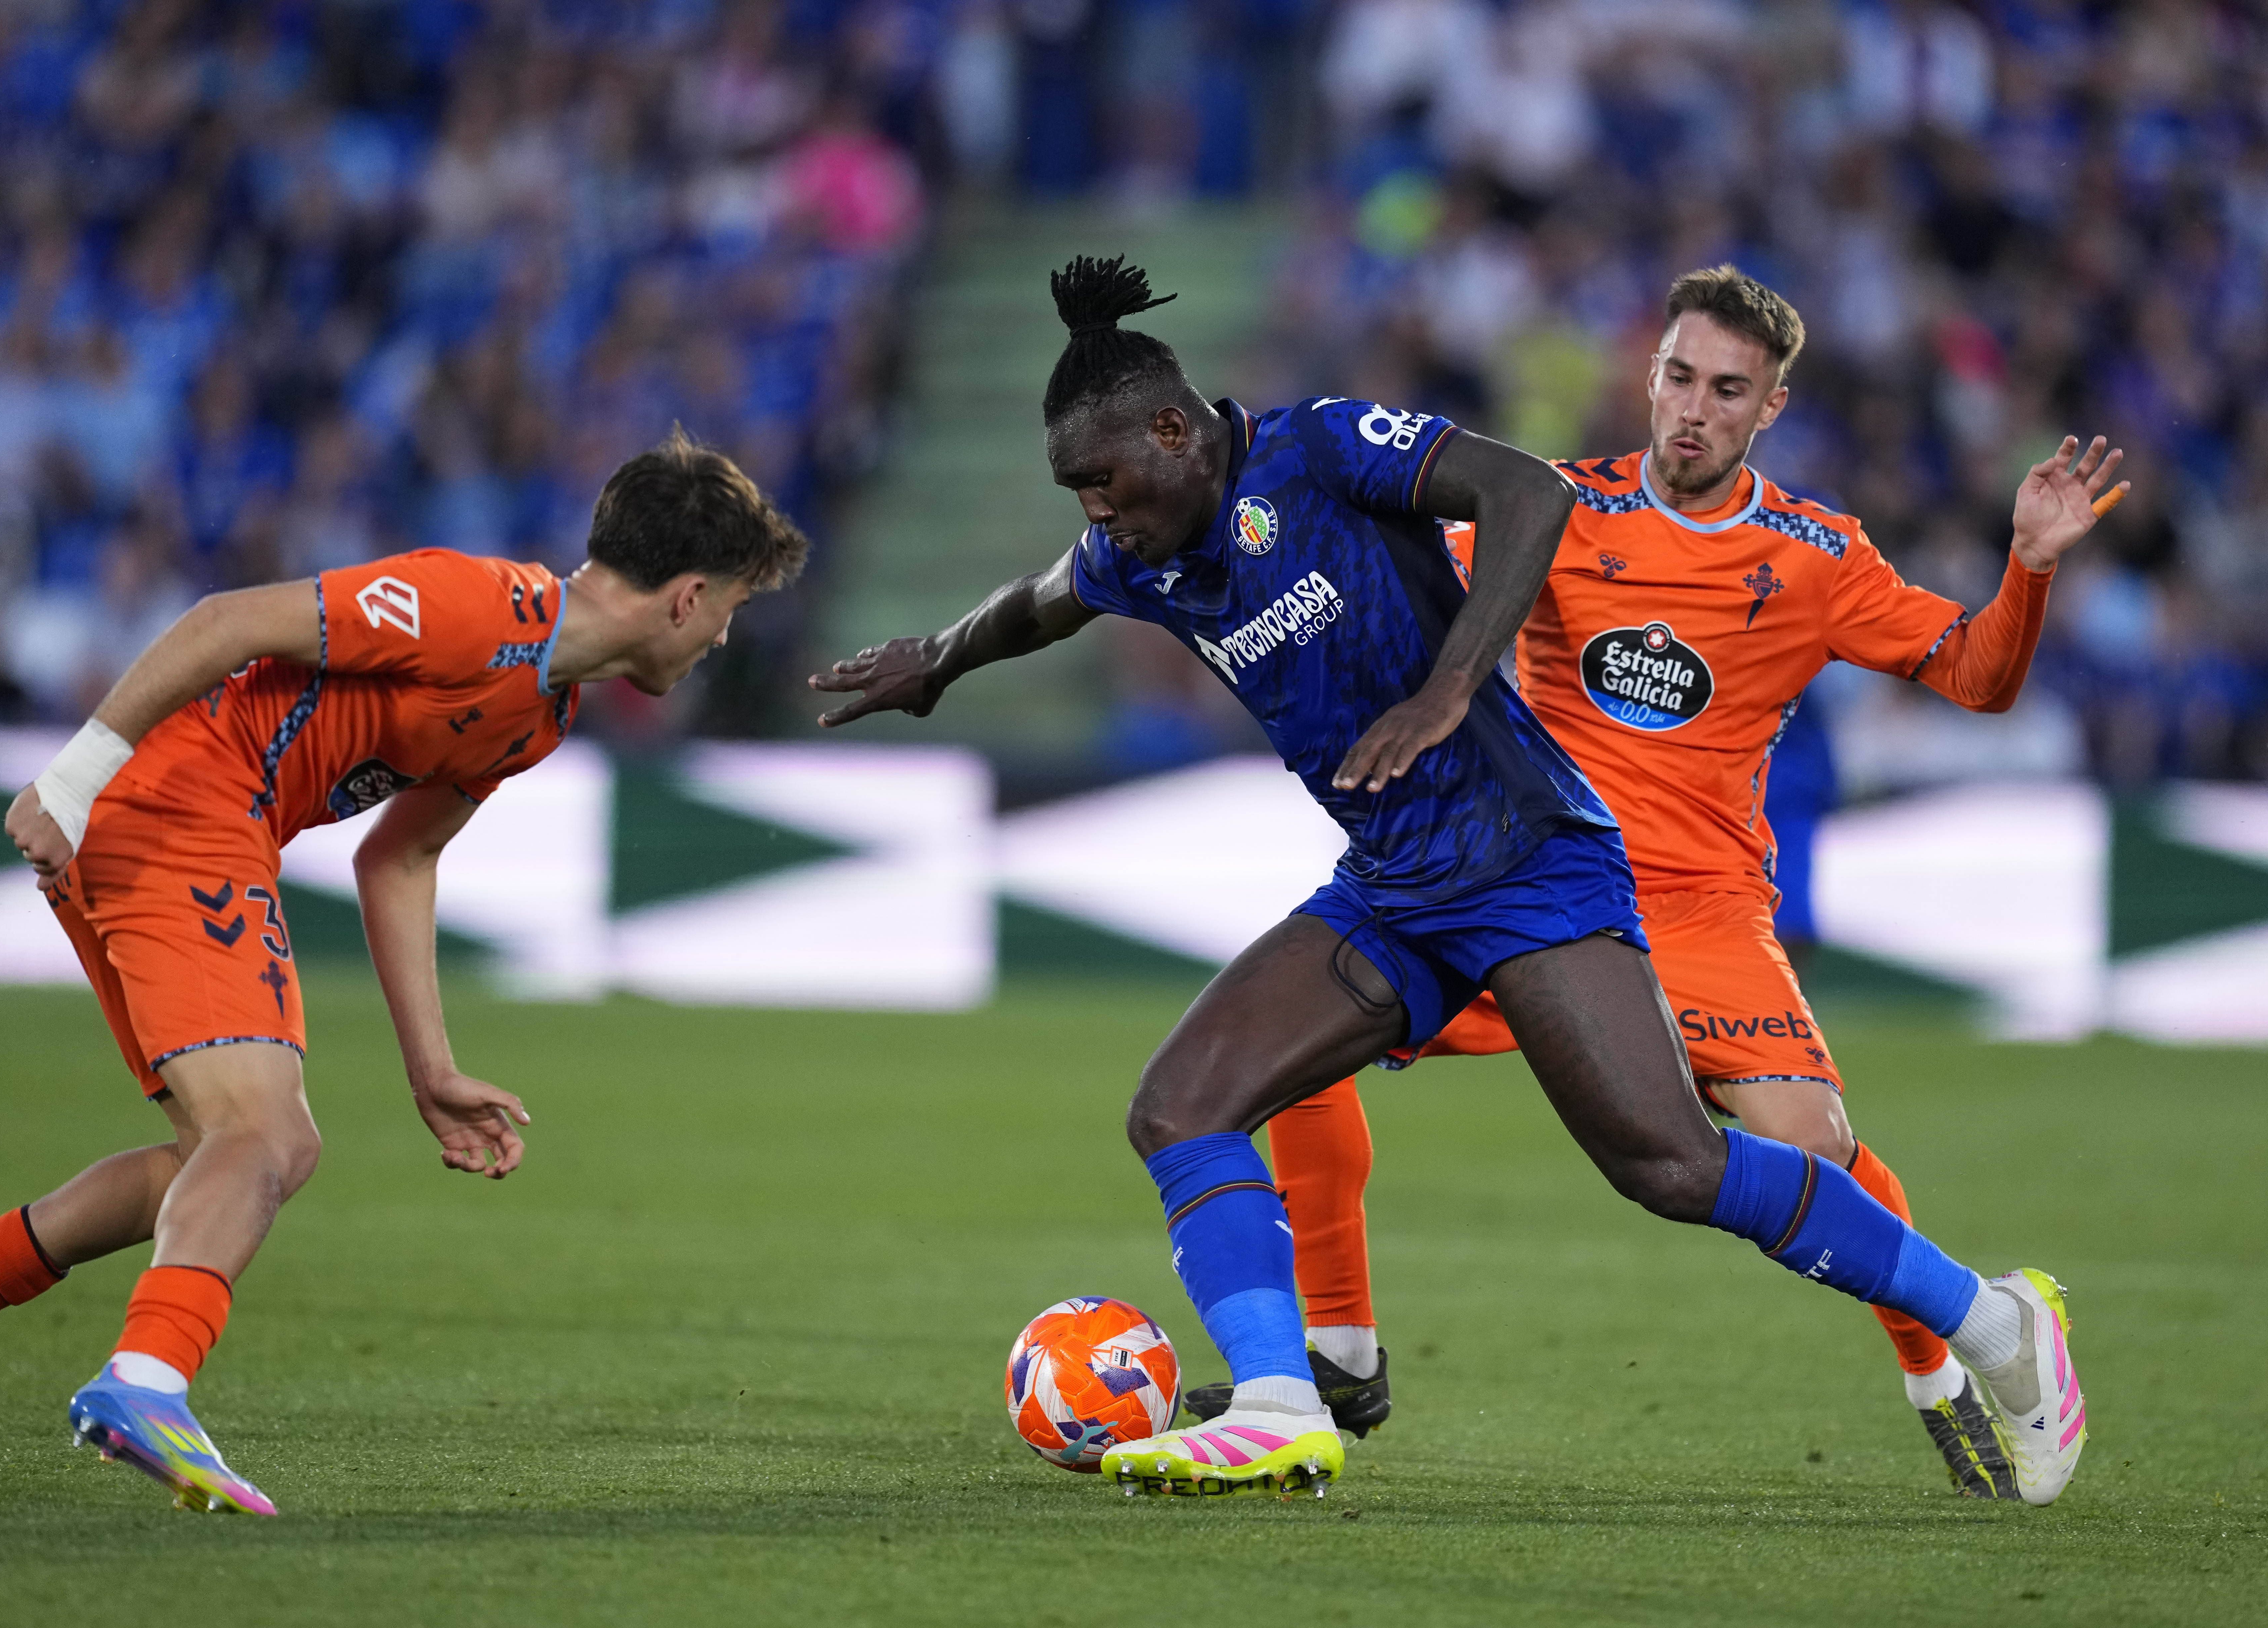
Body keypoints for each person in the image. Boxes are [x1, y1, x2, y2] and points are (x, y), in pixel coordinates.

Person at [810, 257, 2086, 1501]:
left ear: (1172, 428)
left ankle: (1984, 1325)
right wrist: (938, 658)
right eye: (1076, 490)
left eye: (1104, 480)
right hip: (1401, 887)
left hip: (1532, 859)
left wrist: (1447, 689)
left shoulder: (1318, 450)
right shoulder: (1144, 552)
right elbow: (1042, 601)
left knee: (1677, 1171)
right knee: (1184, 1105)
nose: (1097, 508)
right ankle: (1286, 1400)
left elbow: (1526, 493)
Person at [1184, 266, 2120, 1504]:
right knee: (1293, 1068)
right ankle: (1342, 1352)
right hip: (1526, 882)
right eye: (1680, 377)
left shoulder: (1814, 556)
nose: (1693, 409)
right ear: (1653, 374)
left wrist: (2030, 567)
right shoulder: (1555, 509)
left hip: (1696, 905)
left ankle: (1944, 1358)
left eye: (1729, 391)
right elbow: (1397, 581)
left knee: (1808, 1147)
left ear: (1770, 409)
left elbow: (1976, 679)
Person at [0, 430, 808, 1516]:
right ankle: (146, 1383)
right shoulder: (477, 608)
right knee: (271, 1138)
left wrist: (430, 1071)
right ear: (684, 597)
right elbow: (227, 622)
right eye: (732, 604)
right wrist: (74, 776)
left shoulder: (541, 713)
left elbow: (401, 856)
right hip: (179, 802)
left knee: (218, 1161)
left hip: (191, 821)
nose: (726, 634)